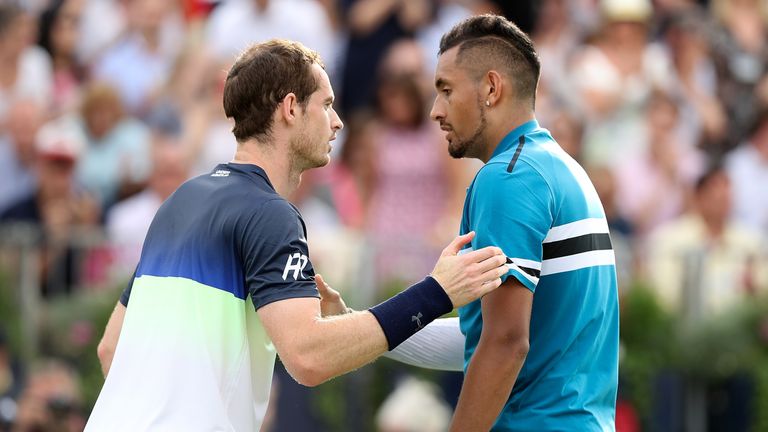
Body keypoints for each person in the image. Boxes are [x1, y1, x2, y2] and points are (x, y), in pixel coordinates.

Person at [87, 39, 507, 432]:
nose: (338, 122)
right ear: (291, 108)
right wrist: (437, 292)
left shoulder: (180, 200)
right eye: (326, 105)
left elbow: (111, 349)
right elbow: (308, 356)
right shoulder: (270, 214)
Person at [388, 14, 619, 430]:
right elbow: (481, 337)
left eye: (445, 90)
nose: (435, 111)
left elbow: (506, 343)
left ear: (491, 88)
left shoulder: (508, 178)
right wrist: (365, 329)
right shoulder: (560, 168)